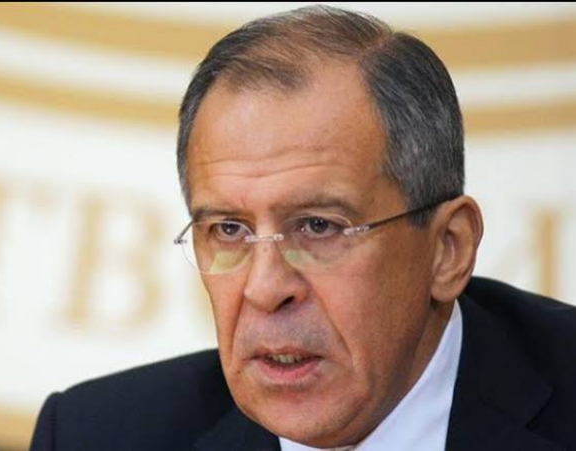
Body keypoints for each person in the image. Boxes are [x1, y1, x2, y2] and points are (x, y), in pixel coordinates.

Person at [30, 5, 576, 451]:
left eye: (318, 226)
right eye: (229, 230)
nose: (265, 288)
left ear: (447, 250)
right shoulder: (93, 435)